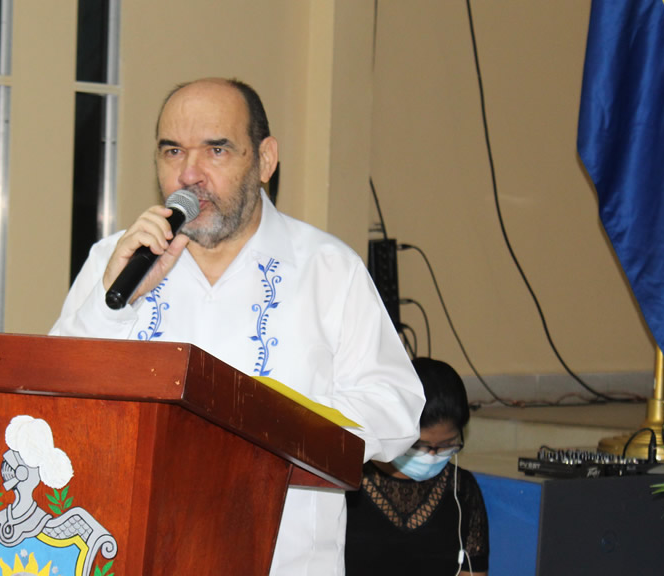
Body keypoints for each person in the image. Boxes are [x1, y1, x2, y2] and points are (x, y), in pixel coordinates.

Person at [51, 77, 425, 575]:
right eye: (172, 151)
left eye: (216, 150)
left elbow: (396, 409)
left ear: (265, 160)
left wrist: (274, 425)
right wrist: (112, 305)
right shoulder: (117, 260)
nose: (189, 173)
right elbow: (54, 400)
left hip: (283, 560)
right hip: (137, 554)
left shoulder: (327, 269)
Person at [345, 357, 489, 575]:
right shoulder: (347, 482)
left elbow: (473, 570)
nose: (432, 455)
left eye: (446, 445)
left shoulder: (461, 490)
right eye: (420, 445)